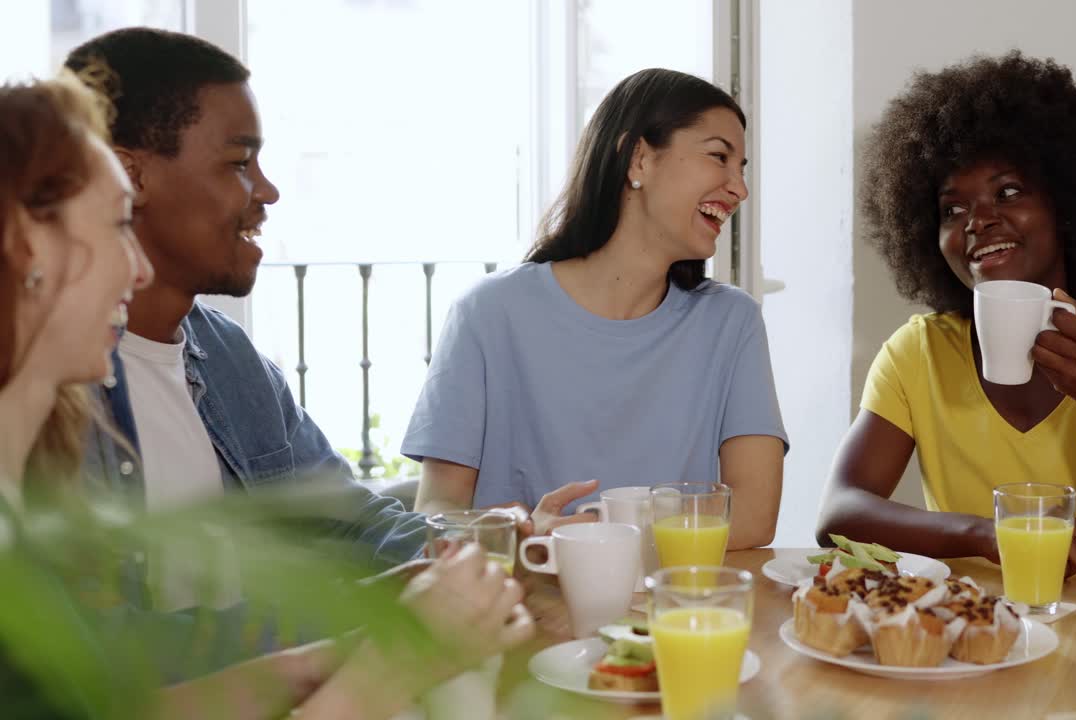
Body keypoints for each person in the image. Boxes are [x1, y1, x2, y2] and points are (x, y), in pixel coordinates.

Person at [0, 72, 533, 720]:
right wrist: (395, 659)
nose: (136, 266)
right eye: (117, 226)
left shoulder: (230, 361)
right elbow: (121, 666)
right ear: (27, 250)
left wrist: (342, 643)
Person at [816, 51, 1076, 579]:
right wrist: (987, 534)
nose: (978, 221)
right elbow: (838, 515)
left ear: (1068, 204)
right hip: (970, 635)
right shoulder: (919, 352)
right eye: (952, 209)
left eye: (1008, 192)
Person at [61, 28, 427, 576]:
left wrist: (503, 541)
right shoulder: (47, 386)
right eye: (239, 163)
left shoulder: (230, 356)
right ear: (131, 177)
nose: (268, 191)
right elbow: (107, 646)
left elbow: (353, 524)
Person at [402, 68, 788, 549]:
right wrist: (516, 535)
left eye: (742, 168)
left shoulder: (732, 322)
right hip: (524, 611)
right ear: (639, 158)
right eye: (718, 157)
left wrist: (603, 536)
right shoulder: (488, 313)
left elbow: (753, 517)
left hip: (670, 616)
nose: (739, 189)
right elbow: (438, 512)